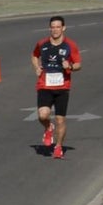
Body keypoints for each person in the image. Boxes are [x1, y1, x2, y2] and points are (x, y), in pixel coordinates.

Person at [31, 15, 81, 159]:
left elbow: (78, 64)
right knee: (43, 115)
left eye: (58, 27)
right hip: (45, 85)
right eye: (53, 27)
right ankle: (48, 127)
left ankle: (58, 147)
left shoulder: (70, 45)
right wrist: (36, 67)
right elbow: (34, 55)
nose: (55, 30)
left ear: (63, 28)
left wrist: (70, 66)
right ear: (50, 28)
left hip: (62, 87)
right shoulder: (42, 43)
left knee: (60, 120)